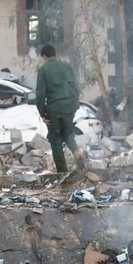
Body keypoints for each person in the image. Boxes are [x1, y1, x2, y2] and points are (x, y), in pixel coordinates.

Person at [36, 44, 83, 173]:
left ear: (44, 57)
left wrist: (42, 113)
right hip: (71, 106)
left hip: (55, 108)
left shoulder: (43, 70)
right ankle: (77, 152)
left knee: (55, 138)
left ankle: (62, 172)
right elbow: (76, 87)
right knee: (67, 132)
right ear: (55, 54)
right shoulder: (67, 66)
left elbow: (40, 95)